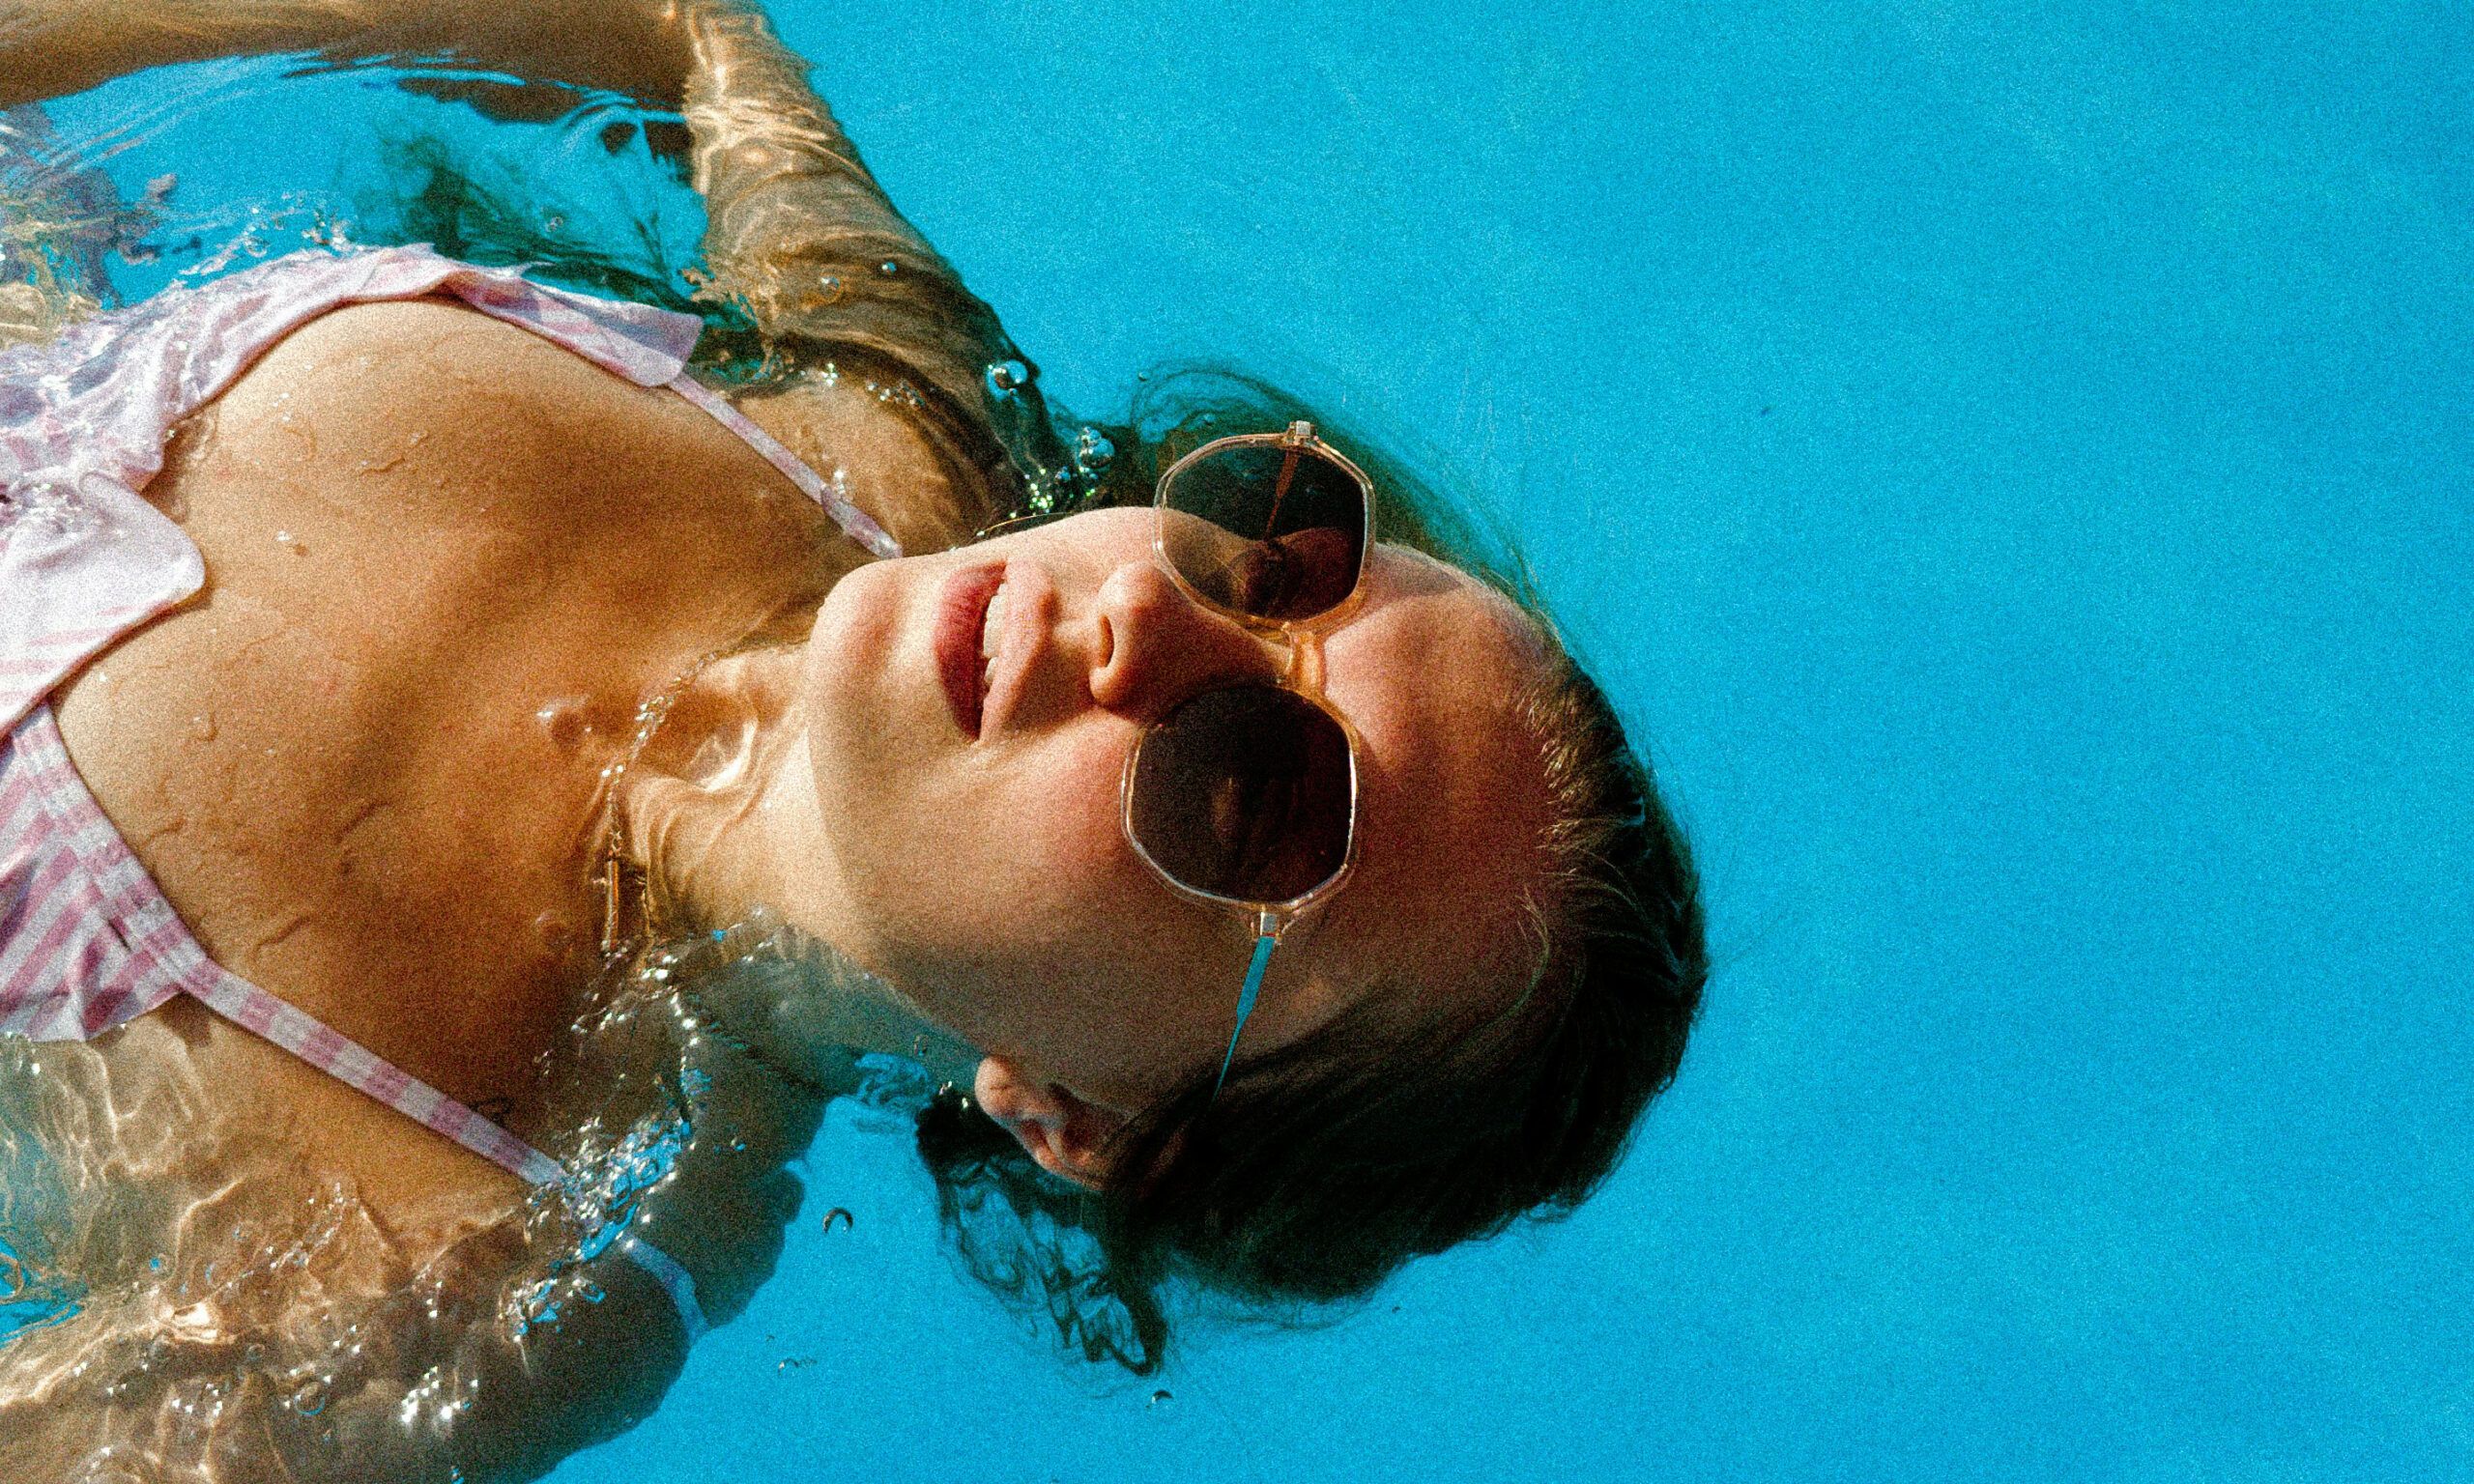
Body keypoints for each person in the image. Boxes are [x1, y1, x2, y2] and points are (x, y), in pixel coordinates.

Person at [0, 1, 1707, 1477]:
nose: (1151, 618)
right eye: (1276, 558)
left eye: (1251, 791)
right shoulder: (893, 434)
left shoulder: (456, 1274)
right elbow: (683, 37)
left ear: (1080, 1121)